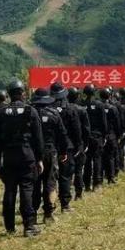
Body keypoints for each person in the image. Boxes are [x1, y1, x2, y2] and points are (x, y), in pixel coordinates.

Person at [0, 79, 44, 236]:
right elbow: (38, 138)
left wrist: (0, 155)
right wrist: (40, 158)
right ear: (22, 93)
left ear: (9, 95)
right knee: (26, 189)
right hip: (27, 155)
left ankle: (9, 227)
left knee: (9, 190)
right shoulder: (30, 111)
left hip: (8, 155)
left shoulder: (0, 112)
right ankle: (29, 226)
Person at [30, 88, 67, 223]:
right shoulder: (54, 114)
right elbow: (62, 135)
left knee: (34, 183)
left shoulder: (30, 113)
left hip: (33, 153)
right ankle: (48, 214)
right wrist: (63, 152)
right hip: (50, 153)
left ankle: (32, 214)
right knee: (50, 183)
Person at [51, 82, 83, 212]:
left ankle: (50, 205)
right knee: (65, 176)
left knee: (50, 178)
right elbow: (77, 129)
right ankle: (65, 204)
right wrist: (79, 145)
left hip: (51, 146)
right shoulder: (70, 109)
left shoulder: (48, 109)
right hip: (68, 146)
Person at [83, 84, 108, 191]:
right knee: (97, 159)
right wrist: (105, 135)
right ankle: (97, 184)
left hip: (85, 137)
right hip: (97, 136)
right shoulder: (99, 104)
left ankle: (87, 184)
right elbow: (104, 123)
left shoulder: (81, 104)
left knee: (87, 161)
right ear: (94, 92)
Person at [68, 86, 91, 199]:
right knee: (78, 170)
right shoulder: (82, 110)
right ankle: (78, 193)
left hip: (67, 144)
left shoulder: (64, 109)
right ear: (77, 96)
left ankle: (65, 195)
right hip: (79, 143)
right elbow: (86, 129)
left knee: (66, 171)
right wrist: (85, 144)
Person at [100, 88, 122, 184]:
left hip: (101, 135)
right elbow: (117, 124)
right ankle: (111, 177)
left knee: (100, 157)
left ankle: (100, 177)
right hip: (111, 135)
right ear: (109, 96)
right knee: (111, 157)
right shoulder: (113, 108)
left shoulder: (98, 107)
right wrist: (119, 135)